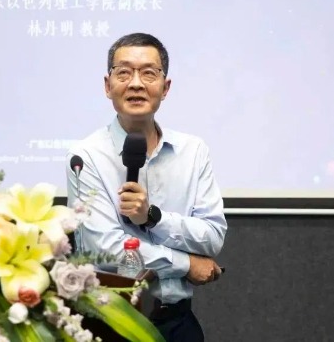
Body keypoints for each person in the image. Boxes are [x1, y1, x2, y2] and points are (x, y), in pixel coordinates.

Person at [66, 32, 227, 341]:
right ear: (108, 85)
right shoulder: (85, 156)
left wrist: (153, 218)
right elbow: (102, 250)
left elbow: (212, 237)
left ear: (165, 88)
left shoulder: (193, 151)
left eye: (149, 73)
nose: (136, 84)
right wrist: (185, 263)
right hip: (111, 322)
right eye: (124, 72)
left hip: (176, 321)